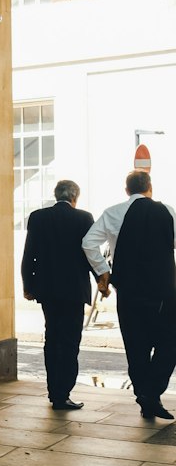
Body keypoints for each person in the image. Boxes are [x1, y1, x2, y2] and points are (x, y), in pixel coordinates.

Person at [82, 170, 176, 419]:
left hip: (129, 292)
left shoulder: (113, 212)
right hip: (164, 292)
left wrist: (104, 271)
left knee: (136, 347)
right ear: (150, 187)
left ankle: (145, 396)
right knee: (170, 343)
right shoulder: (168, 211)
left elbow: (89, 242)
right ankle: (151, 393)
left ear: (127, 190)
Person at [21, 179, 94, 410]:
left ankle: (54, 391)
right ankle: (64, 393)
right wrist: (102, 277)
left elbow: (29, 254)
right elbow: (90, 253)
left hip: (48, 290)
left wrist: (28, 285)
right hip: (74, 291)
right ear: (75, 197)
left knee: (52, 338)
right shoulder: (84, 218)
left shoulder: (38, 217)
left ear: (56, 195)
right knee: (71, 342)